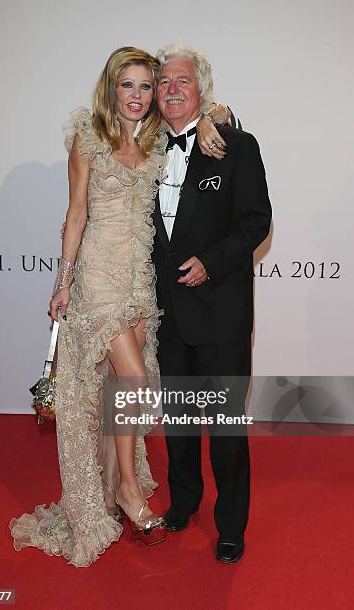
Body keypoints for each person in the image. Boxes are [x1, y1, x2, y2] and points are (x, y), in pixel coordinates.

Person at [9, 46, 227, 568]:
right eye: (127, 85)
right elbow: (77, 211)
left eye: (145, 86)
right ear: (111, 89)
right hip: (99, 281)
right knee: (131, 383)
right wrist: (63, 283)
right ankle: (130, 490)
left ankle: (121, 490)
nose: (137, 96)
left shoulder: (155, 141)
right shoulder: (89, 139)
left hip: (138, 283)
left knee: (120, 390)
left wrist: (211, 121)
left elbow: (206, 113)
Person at [152, 44, 272, 563]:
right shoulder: (144, 149)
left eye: (182, 80)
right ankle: (183, 502)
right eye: (163, 82)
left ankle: (230, 525)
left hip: (220, 311)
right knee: (177, 421)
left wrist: (212, 262)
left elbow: (255, 221)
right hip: (165, 315)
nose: (171, 89)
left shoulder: (235, 144)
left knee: (224, 428)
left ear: (202, 88)